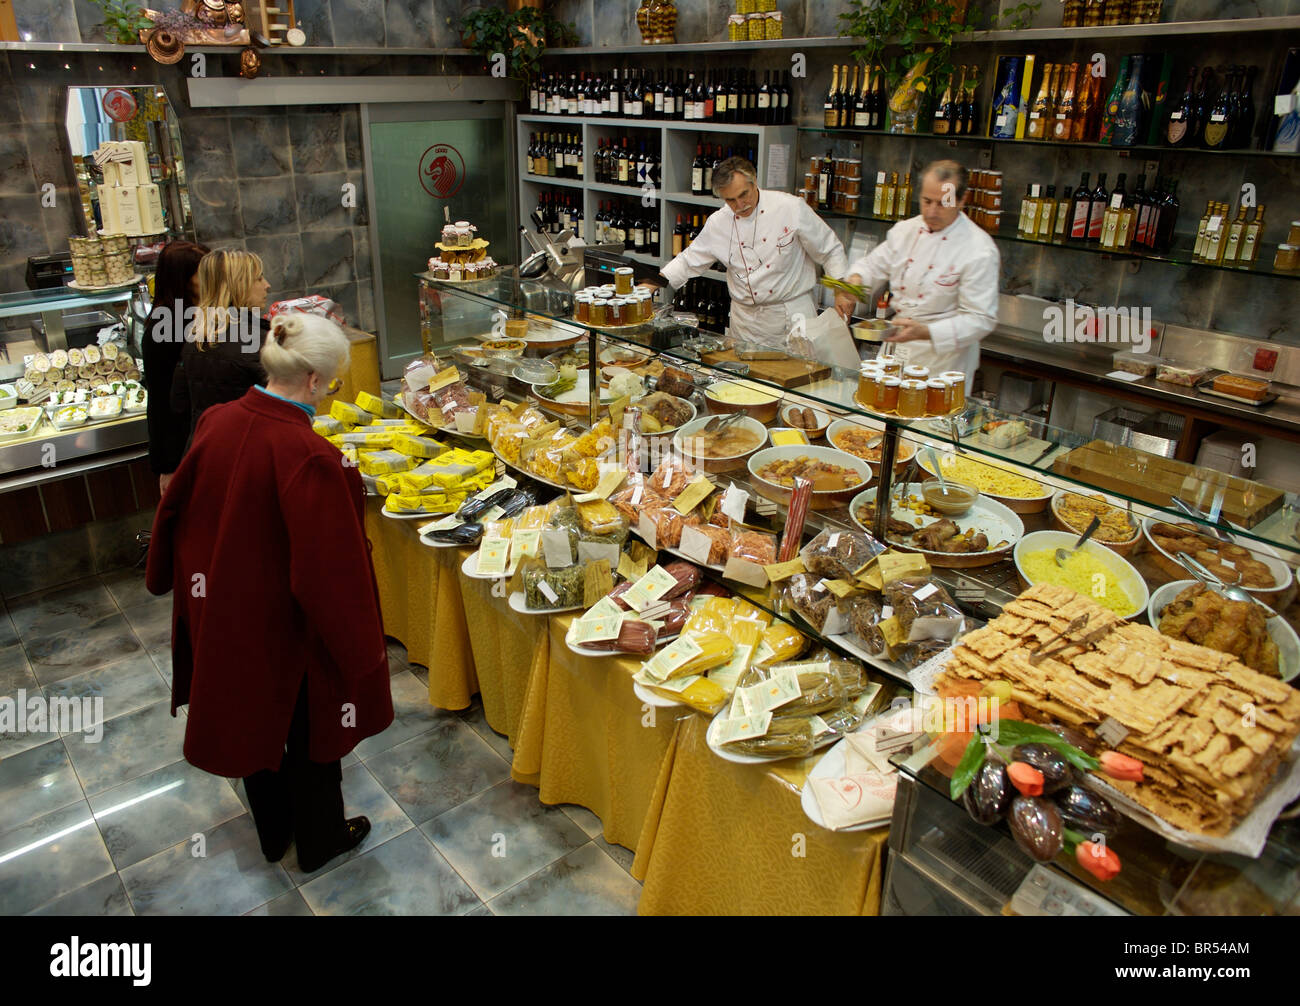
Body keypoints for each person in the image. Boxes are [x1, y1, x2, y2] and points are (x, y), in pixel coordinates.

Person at [145, 312, 393, 873]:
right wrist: (361, 653)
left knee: (250, 718)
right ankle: (321, 836)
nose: (328, 396)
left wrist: (167, 576)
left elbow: (175, 507)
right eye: (330, 385)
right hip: (287, 626)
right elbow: (329, 574)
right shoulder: (309, 455)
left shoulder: (217, 419)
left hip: (225, 608)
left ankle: (273, 831)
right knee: (309, 730)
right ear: (311, 380)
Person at [834, 160, 999, 388]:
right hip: (896, 350)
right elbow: (872, 265)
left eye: (942, 203)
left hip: (943, 363)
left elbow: (981, 319)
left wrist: (927, 332)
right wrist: (854, 282)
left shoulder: (979, 249)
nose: (932, 212)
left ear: (962, 200)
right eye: (927, 201)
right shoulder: (906, 231)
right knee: (882, 415)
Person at [656, 156, 849, 349]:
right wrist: (654, 283)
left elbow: (830, 249)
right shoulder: (719, 222)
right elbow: (688, 261)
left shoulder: (790, 208)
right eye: (731, 200)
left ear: (754, 181)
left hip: (791, 315)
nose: (740, 205)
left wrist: (842, 290)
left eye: (744, 195)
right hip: (745, 321)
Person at [172, 248, 272, 435]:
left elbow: (179, 404)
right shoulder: (258, 341)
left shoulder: (195, 336)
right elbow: (286, 409)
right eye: (258, 278)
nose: (267, 285)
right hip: (249, 450)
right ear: (238, 285)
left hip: (206, 447)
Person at [142, 240, 208, 494]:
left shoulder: (209, 313)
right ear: (183, 280)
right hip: (183, 446)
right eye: (203, 274)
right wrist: (166, 466)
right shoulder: (163, 328)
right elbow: (159, 402)